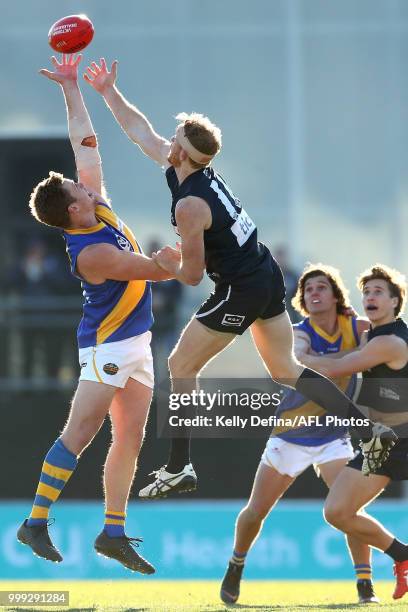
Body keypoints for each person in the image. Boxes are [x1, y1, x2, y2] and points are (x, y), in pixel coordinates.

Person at [83, 58, 394, 498]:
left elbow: (191, 277)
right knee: (287, 370)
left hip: (242, 287)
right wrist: (107, 92)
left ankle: (179, 466)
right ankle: (368, 430)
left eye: (174, 139)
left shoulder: (189, 204)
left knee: (179, 365)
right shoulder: (191, 170)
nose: (166, 141)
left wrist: (163, 262)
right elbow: (142, 134)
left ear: (183, 154)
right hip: (263, 272)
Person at [17, 54, 176, 574]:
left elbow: (85, 142)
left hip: (137, 343)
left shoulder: (96, 210)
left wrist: (71, 87)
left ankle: (113, 531)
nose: (90, 184)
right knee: (79, 434)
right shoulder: (90, 252)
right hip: (109, 346)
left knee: (129, 438)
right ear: (73, 210)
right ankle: (36, 521)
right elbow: (154, 271)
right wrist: (178, 256)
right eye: (81, 190)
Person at [220, 264, 378, 605]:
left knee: (350, 510)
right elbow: (305, 360)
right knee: (255, 512)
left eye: (321, 287)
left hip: (334, 437)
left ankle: (365, 584)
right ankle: (236, 563)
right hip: (290, 435)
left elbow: (380, 350)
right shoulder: (297, 332)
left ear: (336, 295)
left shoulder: (357, 326)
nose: (314, 293)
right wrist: (356, 358)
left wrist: (361, 355)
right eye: (308, 290)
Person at [299, 264, 408, 601]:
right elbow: (352, 355)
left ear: (394, 302)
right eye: (367, 292)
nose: (370, 297)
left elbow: (334, 368)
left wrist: (297, 359)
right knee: (337, 512)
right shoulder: (370, 337)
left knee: (339, 512)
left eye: (378, 292)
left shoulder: (390, 341)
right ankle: (403, 556)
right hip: (381, 441)